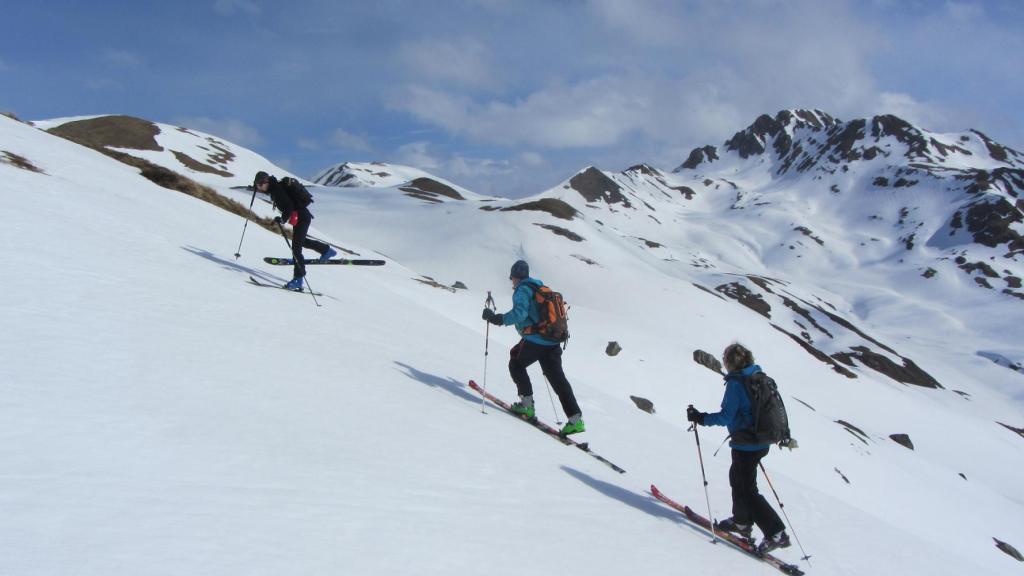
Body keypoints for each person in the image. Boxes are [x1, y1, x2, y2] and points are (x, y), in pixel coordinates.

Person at [687, 343, 791, 555]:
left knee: (747, 489)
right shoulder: (757, 376)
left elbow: (726, 417)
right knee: (738, 479)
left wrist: (700, 418)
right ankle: (742, 521)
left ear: (729, 362)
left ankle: (776, 533)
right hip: (760, 441)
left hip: (746, 443)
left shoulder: (736, 384)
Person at [482, 260, 585, 436]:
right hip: (553, 340)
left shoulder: (522, 290)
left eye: (512, 278)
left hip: (536, 340)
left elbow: (520, 313)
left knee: (516, 363)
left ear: (515, 277)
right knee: (557, 379)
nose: (512, 282)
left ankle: (527, 406)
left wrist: (497, 319)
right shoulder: (540, 287)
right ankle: (576, 420)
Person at [253, 171, 336, 290]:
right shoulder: (275, 187)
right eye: (257, 186)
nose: (259, 188)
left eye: (260, 185)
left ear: (266, 182)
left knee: (296, 249)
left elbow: (289, 206)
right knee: (301, 242)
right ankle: (327, 250)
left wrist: (282, 219)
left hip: (302, 218)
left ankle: (298, 279)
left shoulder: (277, 190)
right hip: (301, 217)